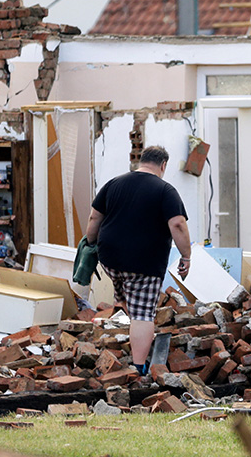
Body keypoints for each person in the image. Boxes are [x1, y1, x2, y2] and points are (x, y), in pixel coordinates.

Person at [85, 145, 191, 375]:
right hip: (144, 262)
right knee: (143, 314)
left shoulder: (114, 183)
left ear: (141, 161)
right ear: (163, 165)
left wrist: (89, 244)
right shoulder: (165, 190)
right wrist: (186, 256)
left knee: (125, 290)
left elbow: (95, 216)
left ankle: (122, 312)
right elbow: (178, 224)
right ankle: (138, 367)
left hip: (110, 258)